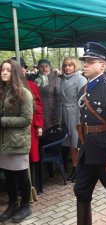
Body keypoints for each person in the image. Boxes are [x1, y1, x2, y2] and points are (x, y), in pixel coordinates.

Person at [74, 42, 106, 225]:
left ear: (103, 65)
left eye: (90, 61)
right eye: (84, 61)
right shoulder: (84, 90)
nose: (85, 64)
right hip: (87, 151)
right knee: (81, 191)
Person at [0, 59, 33, 223]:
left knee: (21, 176)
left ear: (15, 73)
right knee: (8, 175)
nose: (4, 72)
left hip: (18, 141)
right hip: (3, 142)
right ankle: (13, 204)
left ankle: (25, 205)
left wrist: (3, 121)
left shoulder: (24, 93)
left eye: (8, 70)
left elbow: (27, 119)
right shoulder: (1, 92)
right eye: (2, 70)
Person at [11, 57, 44, 192]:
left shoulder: (32, 86)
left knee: (30, 157)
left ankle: (33, 187)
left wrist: (39, 125)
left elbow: (38, 107)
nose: (22, 70)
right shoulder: (5, 87)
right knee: (14, 159)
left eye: (23, 67)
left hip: (29, 127)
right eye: (19, 68)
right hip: (11, 128)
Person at [61, 57, 87, 183]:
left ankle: (80, 170)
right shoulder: (62, 79)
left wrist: (79, 120)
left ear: (75, 66)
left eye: (70, 65)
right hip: (65, 113)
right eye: (65, 65)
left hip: (75, 113)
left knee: (77, 143)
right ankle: (75, 167)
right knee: (71, 144)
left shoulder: (80, 79)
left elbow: (82, 102)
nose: (67, 68)